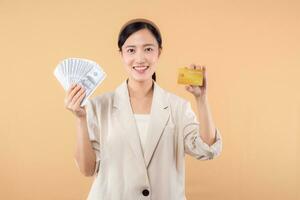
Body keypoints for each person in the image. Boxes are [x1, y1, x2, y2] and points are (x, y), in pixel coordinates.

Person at [64, 18, 222, 200]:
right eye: (131, 50)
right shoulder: (99, 106)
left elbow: (208, 150)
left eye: (148, 49)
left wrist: (201, 99)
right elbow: (87, 169)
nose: (140, 59)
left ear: (159, 53)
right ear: (121, 54)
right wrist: (80, 118)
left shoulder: (178, 107)